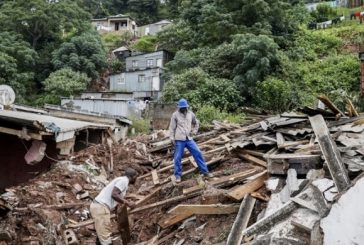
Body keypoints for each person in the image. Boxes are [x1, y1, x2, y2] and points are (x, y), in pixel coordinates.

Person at [169, 98, 213, 183]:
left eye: (184, 107)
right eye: (181, 107)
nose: (182, 109)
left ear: (186, 107)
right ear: (179, 107)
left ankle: (205, 172)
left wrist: (194, 131)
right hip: (179, 139)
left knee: (198, 153)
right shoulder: (175, 115)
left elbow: (196, 122)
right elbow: (172, 127)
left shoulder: (190, 114)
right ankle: (177, 175)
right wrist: (171, 138)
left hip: (189, 138)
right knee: (177, 157)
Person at [90, 168, 138, 245]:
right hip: (101, 207)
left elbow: (116, 199)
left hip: (99, 207)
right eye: (136, 176)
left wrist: (116, 212)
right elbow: (114, 194)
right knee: (106, 239)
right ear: (133, 177)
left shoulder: (120, 180)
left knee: (101, 236)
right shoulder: (124, 181)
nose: (136, 179)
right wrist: (128, 203)